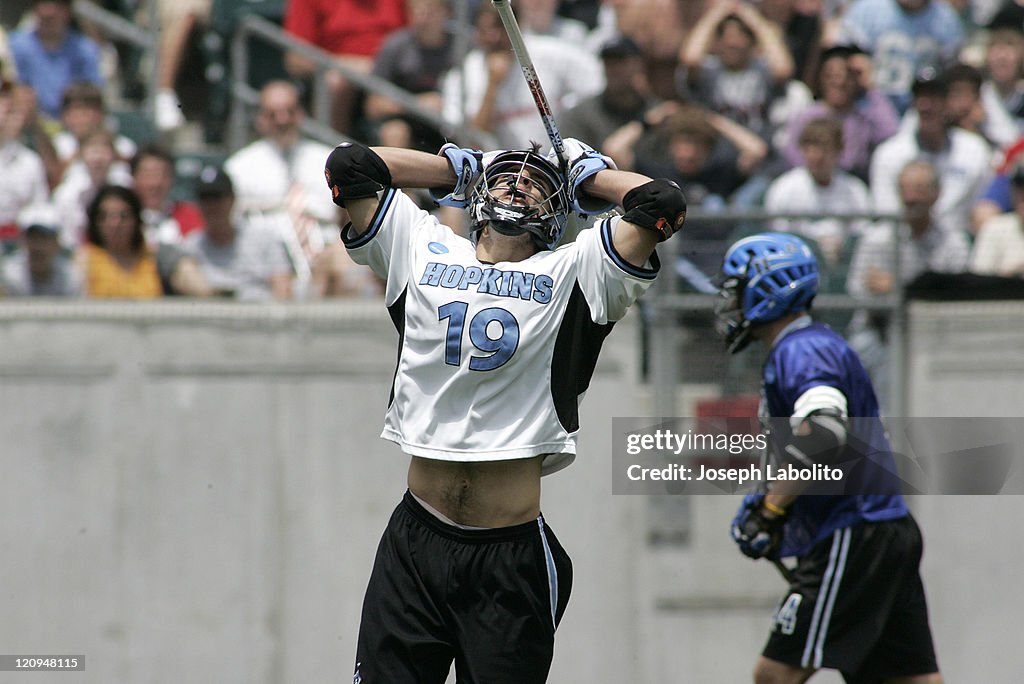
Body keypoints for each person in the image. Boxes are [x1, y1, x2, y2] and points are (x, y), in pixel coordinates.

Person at [324, 136, 685, 682]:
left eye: (538, 182)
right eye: (505, 176)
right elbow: (350, 167)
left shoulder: (579, 271)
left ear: (556, 208)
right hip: (416, 541)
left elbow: (662, 202)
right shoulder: (422, 246)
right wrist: (455, 169)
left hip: (508, 557)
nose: (518, 183)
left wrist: (588, 178)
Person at [715, 232, 942, 684]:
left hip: (855, 532)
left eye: (737, 290)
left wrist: (770, 510)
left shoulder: (802, 349)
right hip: (882, 528)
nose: (730, 303)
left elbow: (823, 435)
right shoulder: (812, 344)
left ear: (766, 289)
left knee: (775, 676)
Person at [847, 160, 969, 409]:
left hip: (936, 334)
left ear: (937, 194)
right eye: (907, 189)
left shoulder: (952, 242)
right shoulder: (878, 238)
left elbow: (956, 297)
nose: (912, 197)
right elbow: (857, 291)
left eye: (920, 189)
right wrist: (922, 292)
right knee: (881, 356)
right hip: (879, 331)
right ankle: (887, 434)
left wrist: (896, 289)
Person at [440, 3, 602, 149]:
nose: (493, 37)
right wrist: (493, 84)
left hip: (555, 161)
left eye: (500, 28)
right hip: (499, 170)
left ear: (516, 27)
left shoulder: (551, 53)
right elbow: (472, 142)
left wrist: (569, 110)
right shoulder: (463, 76)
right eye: (485, 31)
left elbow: (596, 86)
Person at [765, 116, 872, 268]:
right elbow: (779, 237)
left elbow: (862, 234)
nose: (816, 156)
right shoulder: (784, 188)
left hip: (844, 267)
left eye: (824, 148)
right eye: (809, 148)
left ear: (839, 150)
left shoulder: (855, 190)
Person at [834, 0, 963, 114]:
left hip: (922, 110)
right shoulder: (867, 10)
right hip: (869, 107)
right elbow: (839, 58)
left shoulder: (945, 18)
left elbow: (952, 72)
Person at [185, 166, 294, 301]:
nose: (212, 206)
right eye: (205, 199)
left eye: (217, 198)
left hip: (261, 315)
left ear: (232, 200)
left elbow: (283, 290)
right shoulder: (190, 247)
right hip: (211, 316)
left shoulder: (264, 240)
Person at [9, 0, 104, 120]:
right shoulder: (14, 46)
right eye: (43, 4)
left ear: (68, 11)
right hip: (27, 124)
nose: (48, 11)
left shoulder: (84, 50)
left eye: (57, 4)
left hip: (72, 126)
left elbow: (93, 97)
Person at [2, 202, 82, 296]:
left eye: (44, 237)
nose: (38, 246)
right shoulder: (8, 277)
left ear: (57, 243)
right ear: (22, 242)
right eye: (32, 238)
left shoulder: (70, 278)